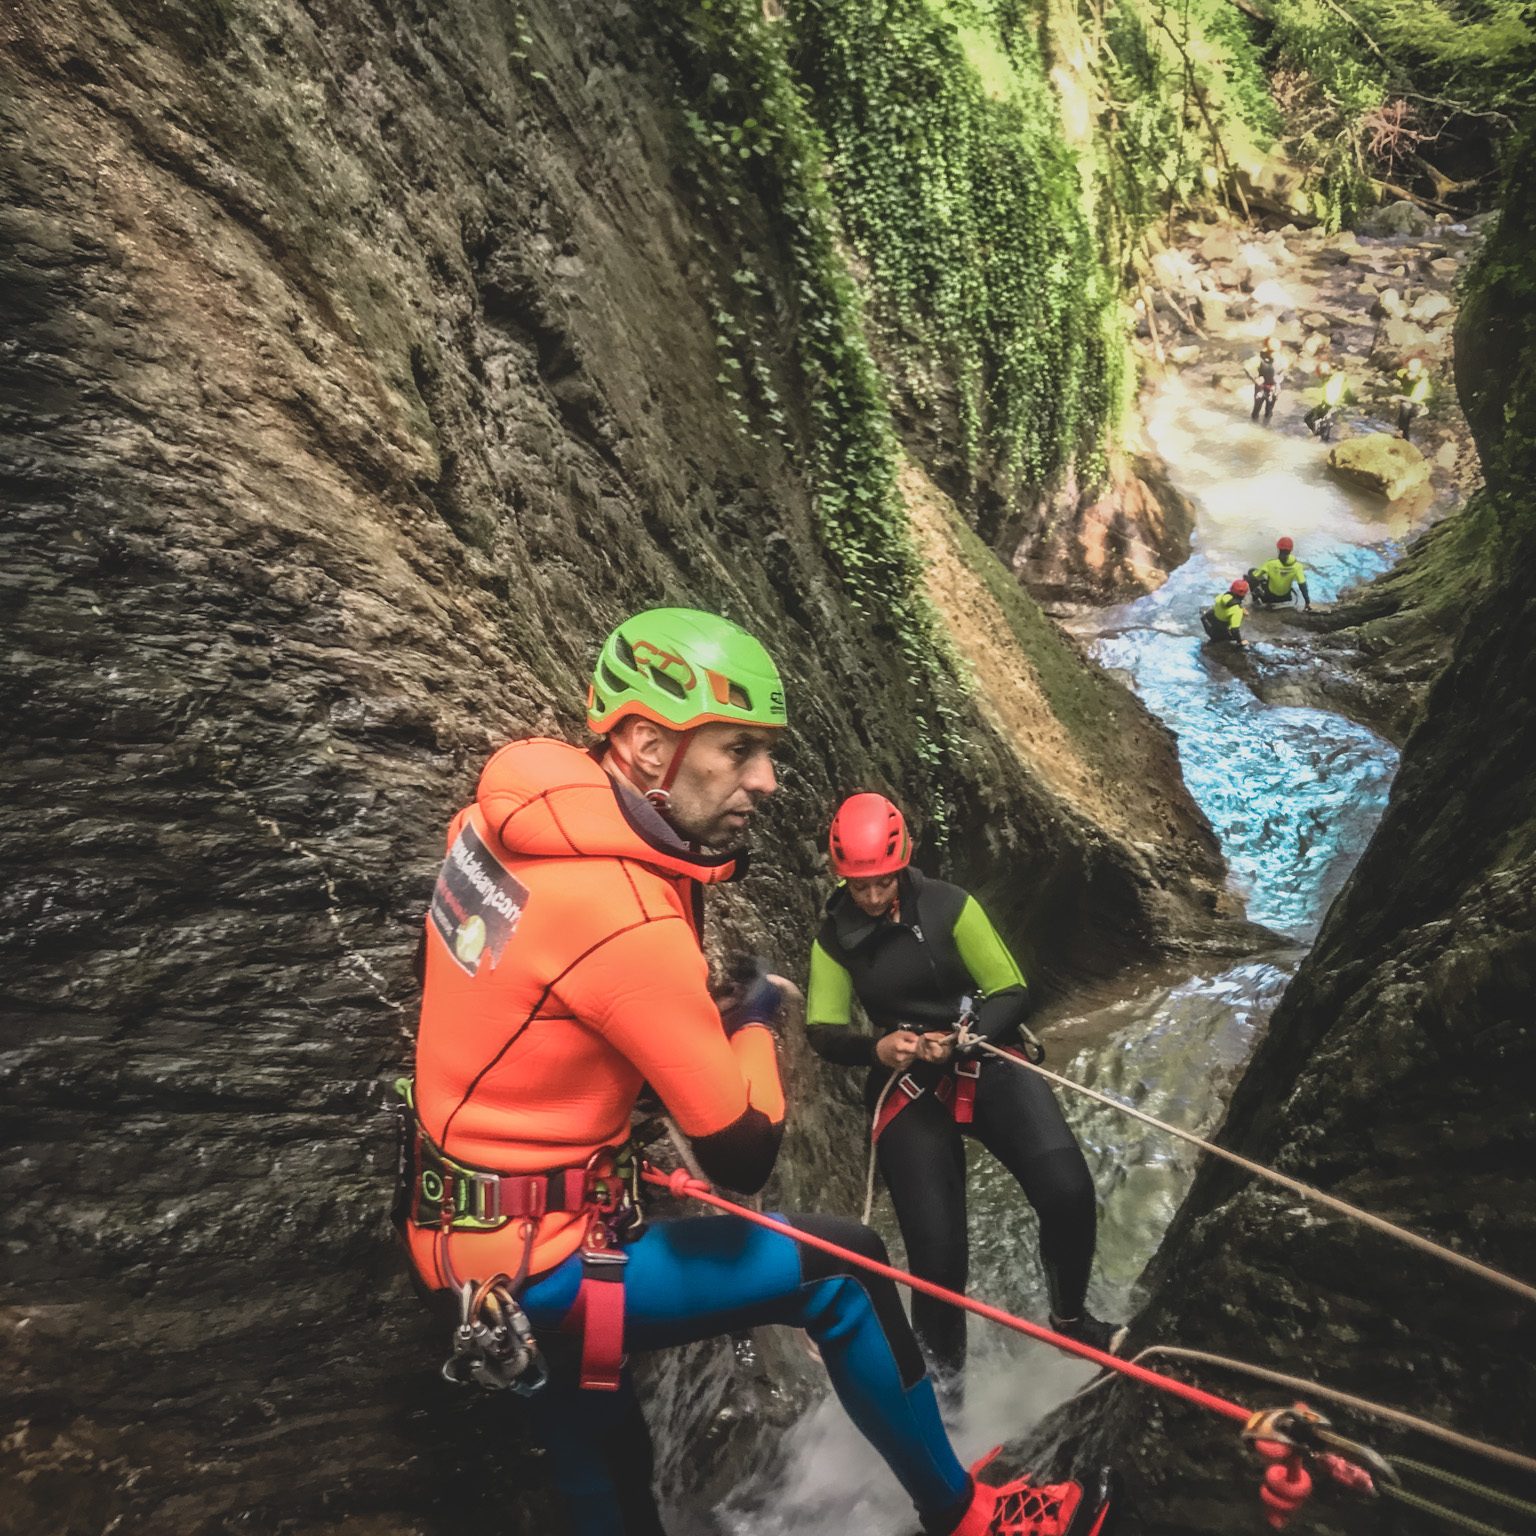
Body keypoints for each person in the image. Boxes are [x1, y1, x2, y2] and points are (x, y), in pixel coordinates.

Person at [399, 608, 1114, 1536]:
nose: (766, 782)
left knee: (601, 1455)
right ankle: (967, 1513)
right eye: (738, 751)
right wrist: (751, 1018)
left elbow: (482, 989)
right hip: (547, 1261)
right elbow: (741, 1151)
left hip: (456, 1225)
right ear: (649, 745)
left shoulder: (492, 831)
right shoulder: (628, 918)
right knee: (847, 1268)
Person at [803, 792, 1125, 1400]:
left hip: (983, 1055)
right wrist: (878, 1048)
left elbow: (1009, 990)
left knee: (1067, 1190)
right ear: (839, 874)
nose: (870, 897)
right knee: (938, 1261)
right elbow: (823, 1029)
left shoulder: (950, 907)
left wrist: (963, 1039)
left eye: (880, 882)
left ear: (903, 862)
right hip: (905, 1082)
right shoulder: (834, 939)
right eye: (858, 885)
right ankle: (948, 1400)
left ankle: (1070, 1321)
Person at [1246, 537, 1312, 610]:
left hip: (1269, 597)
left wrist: (1248, 578)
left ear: (1278, 548)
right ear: (1291, 550)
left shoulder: (1270, 563)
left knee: (1251, 572)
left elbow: (1255, 576)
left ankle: (1255, 602)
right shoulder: (1297, 566)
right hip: (1286, 598)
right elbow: (1303, 585)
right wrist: (1307, 602)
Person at [1303, 359, 1347, 442]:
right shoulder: (1336, 378)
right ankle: (1319, 435)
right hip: (1329, 405)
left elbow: (1332, 398)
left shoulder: (1335, 380)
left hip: (1330, 406)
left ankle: (1320, 438)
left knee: (1320, 425)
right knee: (1309, 419)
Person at [1201, 579, 1249, 646]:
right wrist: (1240, 641)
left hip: (1209, 623)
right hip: (1220, 633)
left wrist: (1241, 607)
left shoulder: (1222, 596)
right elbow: (1234, 630)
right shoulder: (1237, 610)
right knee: (1239, 640)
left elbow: (1230, 602)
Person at [1250, 336, 1285, 424]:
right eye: (1272, 345)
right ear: (1267, 347)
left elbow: (1282, 373)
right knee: (1256, 410)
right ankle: (1253, 427)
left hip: (1273, 389)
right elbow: (1247, 367)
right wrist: (1255, 378)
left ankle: (1265, 428)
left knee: (1269, 411)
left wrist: (1278, 383)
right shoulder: (1260, 358)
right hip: (1260, 388)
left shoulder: (1283, 360)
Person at [1397, 355, 1431, 441]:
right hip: (1408, 401)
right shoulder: (1406, 375)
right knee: (1405, 406)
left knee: (1406, 406)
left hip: (1418, 406)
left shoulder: (1422, 382)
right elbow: (1400, 373)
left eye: (1414, 366)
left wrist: (1398, 396)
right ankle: (1404, 436)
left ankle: (1401, 431)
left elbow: (1415, 400)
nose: (1411, 367)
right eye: (1410, 365)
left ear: (1419, 368)